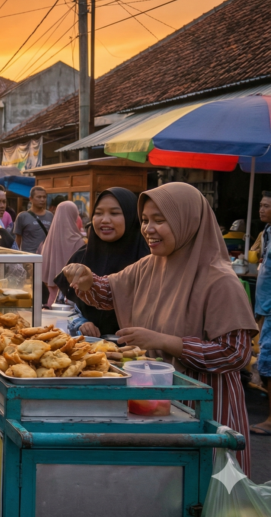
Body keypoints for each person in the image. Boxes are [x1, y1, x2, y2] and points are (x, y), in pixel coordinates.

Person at [62, 182, 257, 473]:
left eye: (160, 220)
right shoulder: (150, 265)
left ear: (187, 221)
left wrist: (164, 341)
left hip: (207, 411)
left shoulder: (220, 280)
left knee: (207, 495)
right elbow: (109, 292)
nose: (148, 229)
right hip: (158, 403)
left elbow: (235, 354)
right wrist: (88, 279)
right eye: (144, 220)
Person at [53, 188, 150, 337]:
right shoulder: (81, 258)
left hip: (137, 354)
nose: (104, 219)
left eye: (114, 213)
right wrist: (81, 323)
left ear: (132, 216)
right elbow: (66, 307)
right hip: (89, 350)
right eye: (98, 213)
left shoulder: (147, 259)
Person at [251, 191, 271, 435]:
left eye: (267, 205)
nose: (262, 209)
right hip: (265, 307)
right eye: (261, 205)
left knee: (268, 362)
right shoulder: (265, 233)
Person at [40, 201, 86, 307]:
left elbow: (49, 273)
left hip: (50, 302)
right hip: (73, 300)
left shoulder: (49, 240)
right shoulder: (78, 241)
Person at [14, 186, 52, 254]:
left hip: (45, 256)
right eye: (39, 197)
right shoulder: (22, 216)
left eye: (44, 197)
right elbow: (18, 240)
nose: (42, 199)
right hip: (29, 257)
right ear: (31, 199)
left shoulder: (50, 215)